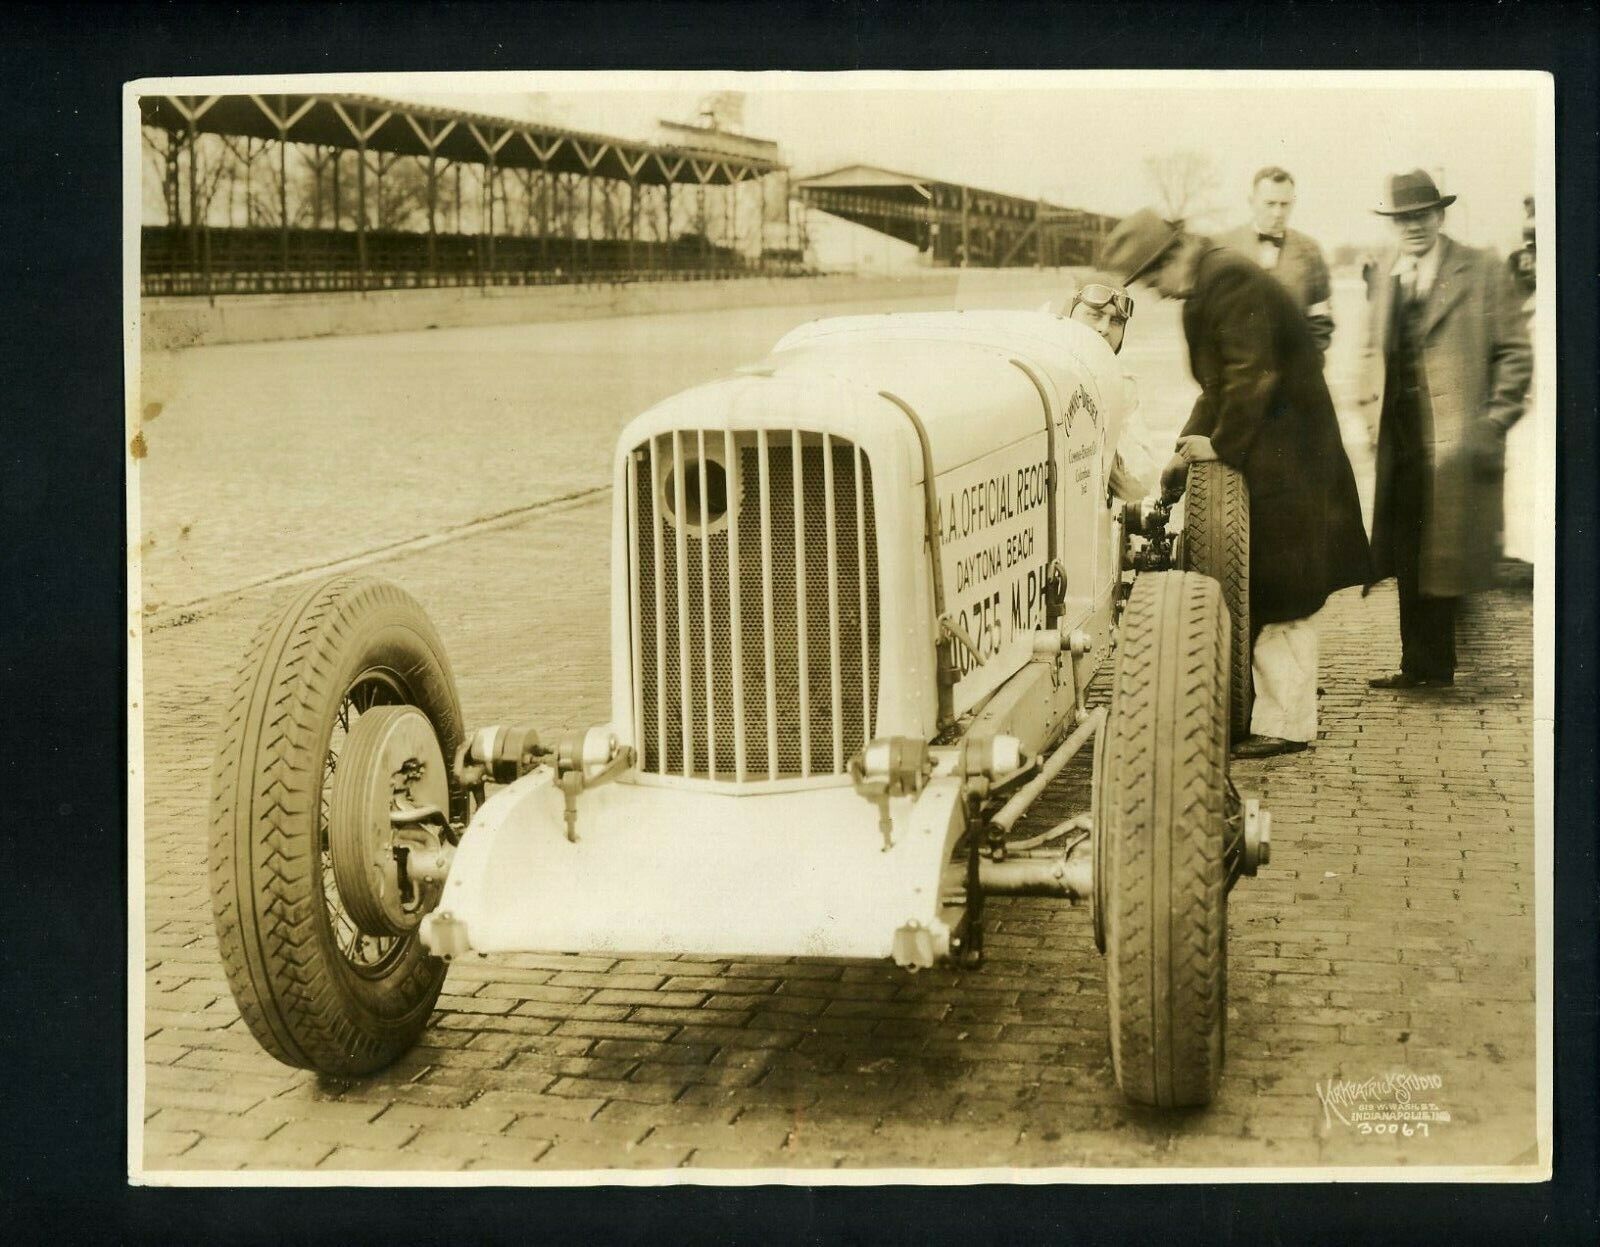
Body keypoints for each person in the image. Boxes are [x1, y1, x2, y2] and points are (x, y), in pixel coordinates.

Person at [1100, 209, 1370, 758]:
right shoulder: (1212, 281)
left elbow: (1253, 376)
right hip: (1276, 454)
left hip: (1290, 460)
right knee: (1272, 583)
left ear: (1173, 257)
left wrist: (1219, 446)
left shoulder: (1226, 280)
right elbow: (1218, 387)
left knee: (1282, 586)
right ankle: (1274, 706)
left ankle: (1289, 722)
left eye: (1153, 280)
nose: (1157, 294)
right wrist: (1186, 447)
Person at [1356, 170, 1532, 689]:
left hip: (1457, 440)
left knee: (1446, 549)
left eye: (1422, 215)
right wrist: (1368, 413)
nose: (1413, 226)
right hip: (1401, 440)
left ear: (1440, 215)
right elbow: (1373, 351)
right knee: (1409, 553)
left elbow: (1516, 356)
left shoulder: (1481, 270)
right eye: (1403, 218)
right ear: (1394, 223)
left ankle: (1439, 664)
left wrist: (1494, 422)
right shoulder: (1390, 274)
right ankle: (1421, 666)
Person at [1216, 167, 1335, 362]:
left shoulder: (1311, 251)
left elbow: (1320, 318)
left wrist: (1308, 366)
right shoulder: (1223, 249)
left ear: (1293, 204)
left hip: (1297, 375)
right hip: (1239, 377)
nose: (1278, 213)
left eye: (1284, 204)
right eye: (1270, 204)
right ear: (1252, 202)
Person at [1064, 273, 1156, 500]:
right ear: (1068, 314)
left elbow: (1139, 484)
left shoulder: (1120, 386)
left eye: (1116, 321)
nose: (1104, 328)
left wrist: (1102, 432)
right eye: (1095, 315)